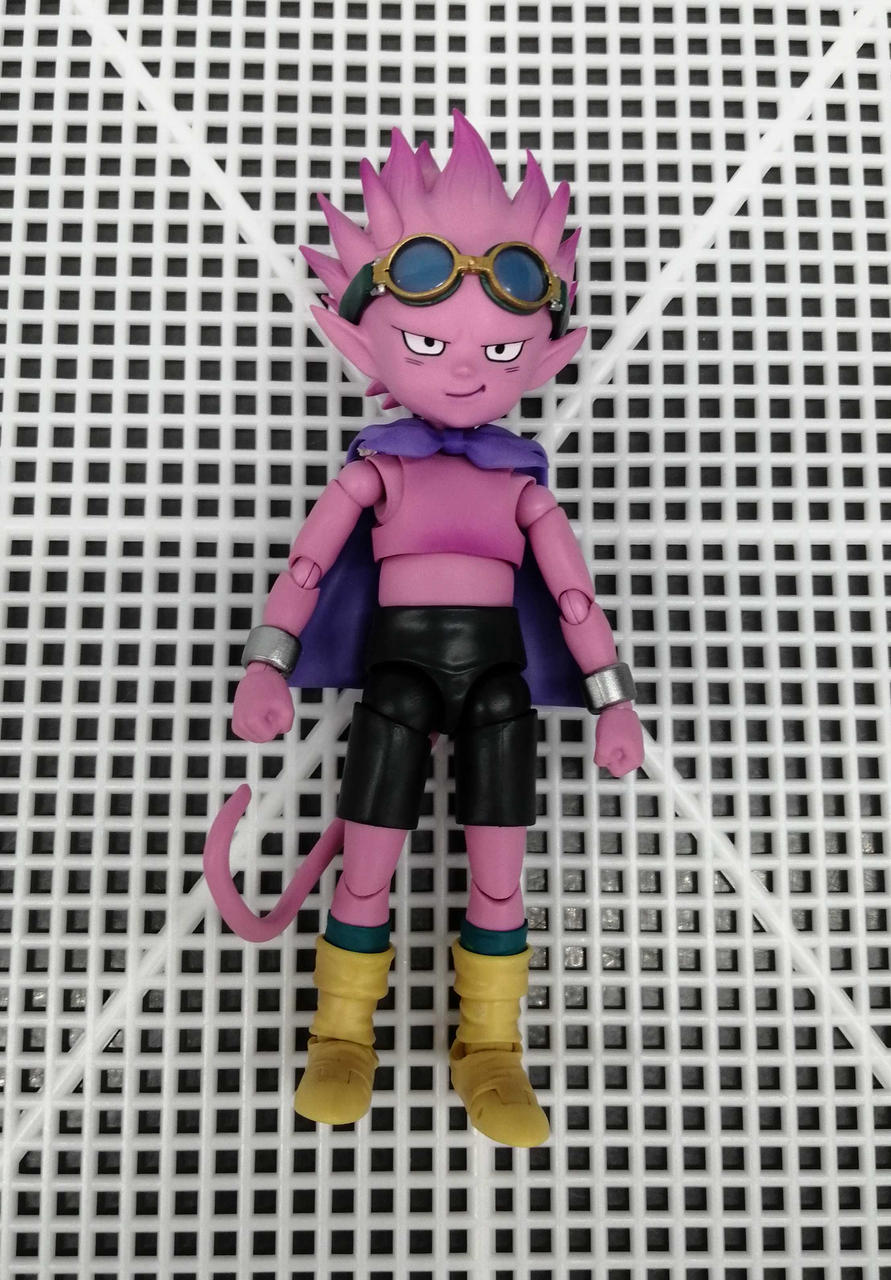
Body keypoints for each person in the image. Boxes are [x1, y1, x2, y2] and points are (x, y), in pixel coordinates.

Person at [206, 111, 644, 1147]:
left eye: (500, 348)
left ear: (542, 350)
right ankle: (339, 1033)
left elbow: (573, 600)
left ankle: (491, 1046)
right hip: (396, 680)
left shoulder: (521, 484)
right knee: (368, 865)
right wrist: (268, 663)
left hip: (497, 688)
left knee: (500, 876)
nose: (463, 370)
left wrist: (613, 700)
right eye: (428, 340)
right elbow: (307, 567)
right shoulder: (377, 468)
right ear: (365, 333)